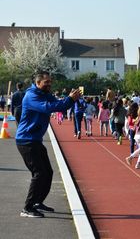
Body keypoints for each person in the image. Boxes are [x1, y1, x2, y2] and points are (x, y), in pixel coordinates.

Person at [16, 71, 81, 218]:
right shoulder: (31, 96)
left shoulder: (45, 94)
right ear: (38, 83)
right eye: (46, 82)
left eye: (50, 82)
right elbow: (48, 108)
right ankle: (27, 207)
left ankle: (38, 202)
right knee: (39, 173)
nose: (49, 84)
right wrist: (69, 100)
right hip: (26, 140)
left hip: (35, 140)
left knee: (48, 172)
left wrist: (69, 99)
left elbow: (58, 105)